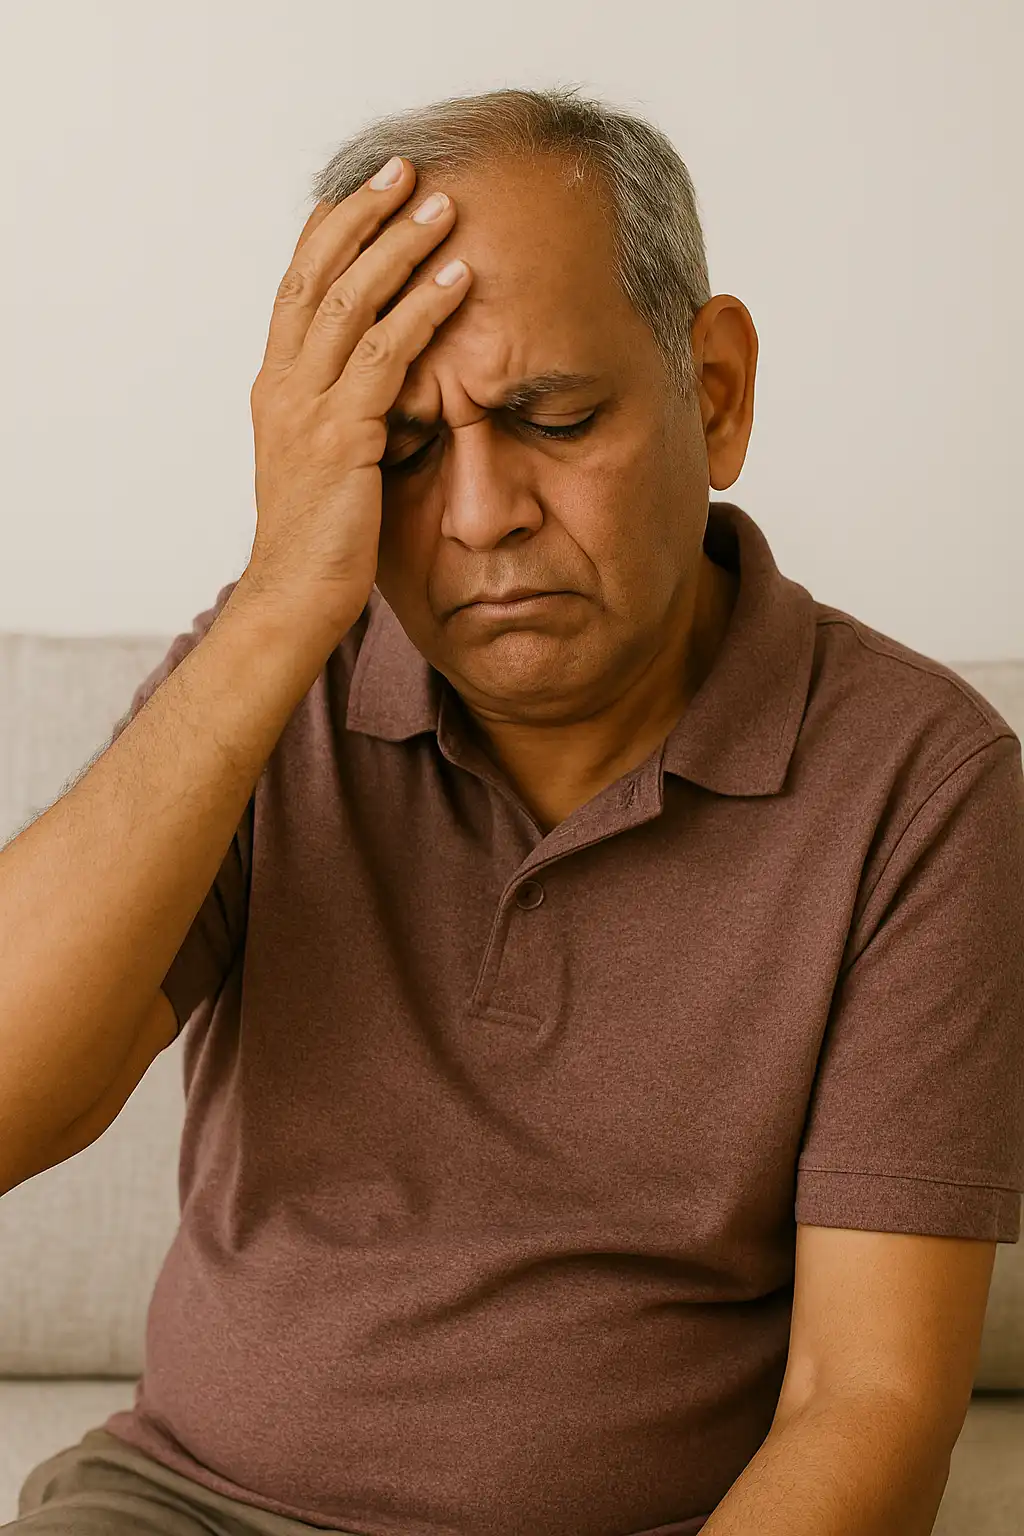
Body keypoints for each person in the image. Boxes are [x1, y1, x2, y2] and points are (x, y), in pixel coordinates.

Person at [2, 84, 1023, 1536]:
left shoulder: (922, 783)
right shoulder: (266, 687)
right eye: (403, 452)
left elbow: (865, 1403)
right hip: (186, 1507)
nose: (480, 513)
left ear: (714, 393)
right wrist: (278, 607)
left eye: (549, 417)